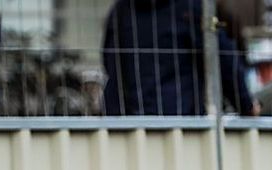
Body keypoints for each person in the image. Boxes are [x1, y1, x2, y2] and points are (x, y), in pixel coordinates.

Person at [102, 0, 257, 116]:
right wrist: (246, 106)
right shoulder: (195, 8)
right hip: (181, 122)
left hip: (125, 124)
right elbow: (223, 57)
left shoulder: (119, 11)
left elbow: (109, 60)